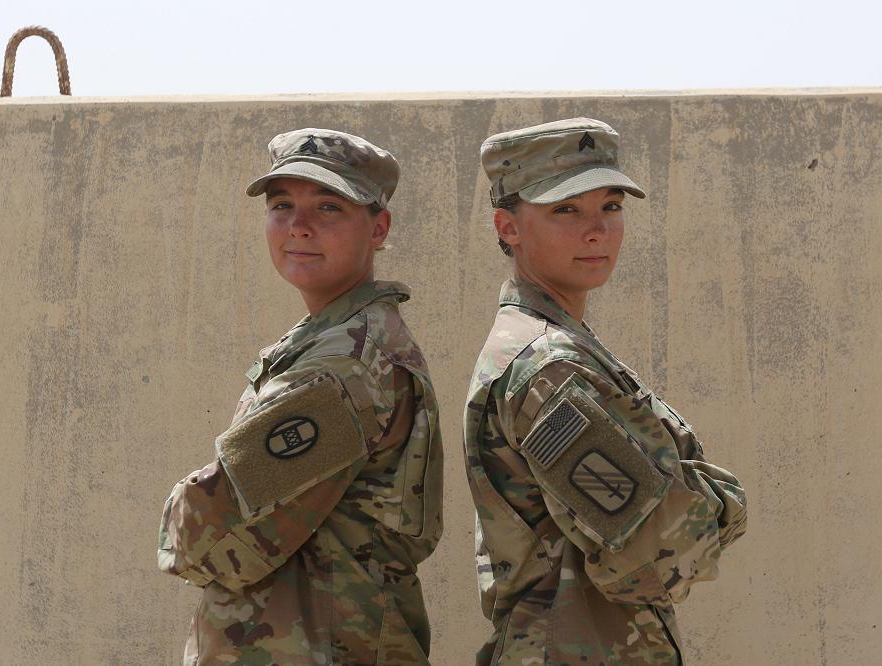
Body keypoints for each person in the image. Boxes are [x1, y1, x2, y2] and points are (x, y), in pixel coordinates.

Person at [463, 118, 747, 665]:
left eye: (611, 206)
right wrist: (723, 502)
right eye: (565, 209)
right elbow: (658, 557)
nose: (596, 230)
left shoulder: (562, 343)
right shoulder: (548, 365)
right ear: (508, 226)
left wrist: (680, 490)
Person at [158, 128, 443, 665]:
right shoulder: (329, 339)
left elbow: (211, 532)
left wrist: (177, 510)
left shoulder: (342, 365)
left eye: (329, 207)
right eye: (281, 204)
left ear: (378, 227)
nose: (299, 226)